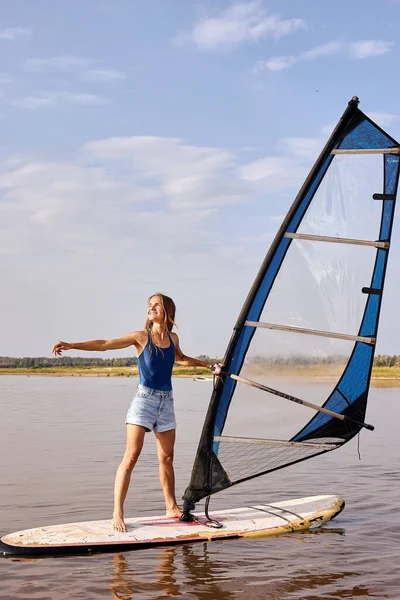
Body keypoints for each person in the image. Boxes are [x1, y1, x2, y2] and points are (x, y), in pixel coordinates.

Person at [52, 293, 222, 532]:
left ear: (167, 311)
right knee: (131, 457)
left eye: (156, 305)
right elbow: (104, 344)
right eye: (149, 305)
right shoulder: (141, 337)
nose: (151, 308)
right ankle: (117, 514)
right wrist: (72, 345)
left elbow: (181, 359)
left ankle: (171, 506)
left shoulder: (173, 338)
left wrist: (209, 365)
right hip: (144, 400)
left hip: (167, 401)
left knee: (167, 458)